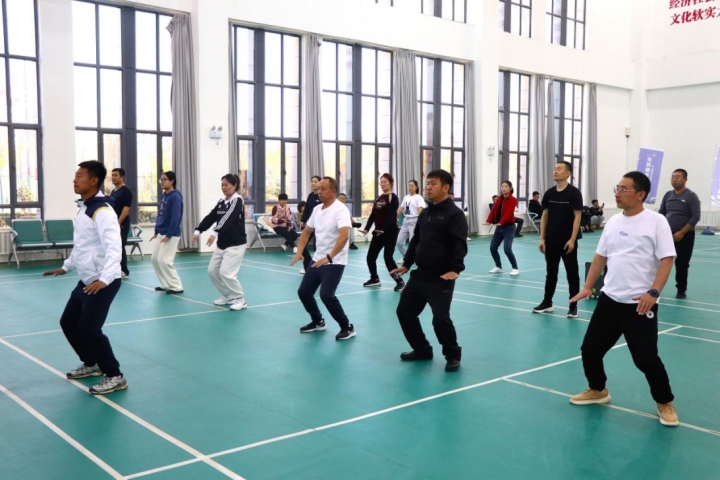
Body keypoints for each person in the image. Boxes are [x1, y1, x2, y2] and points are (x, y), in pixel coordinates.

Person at [569, 171, 679, 427]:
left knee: (646, 359)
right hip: (609, 301)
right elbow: (601, 257)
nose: (617, 193)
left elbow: (667, 259)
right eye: (617, 188)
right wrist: (588, 286)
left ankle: (664, 401)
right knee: (590, 350)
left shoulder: (656, 222)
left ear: (640, 194)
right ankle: (598, 390)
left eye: (623, 189)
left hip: (640, 305)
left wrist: (654, 292)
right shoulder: (613, 222)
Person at [43, 161, 127, 395]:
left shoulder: (102, 211)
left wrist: (105, 279)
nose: (74, 180)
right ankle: (92, 363)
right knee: (68, 322)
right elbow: (82, 246)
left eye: (79, 176)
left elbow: (114, 248)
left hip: (102, 282)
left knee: (90, 329)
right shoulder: (85, 209)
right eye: (75, 175)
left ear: (93, 181)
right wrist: (66, 267)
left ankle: (115, 375)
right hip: (87, 281)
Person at [391, 169, 467, 372]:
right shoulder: (425, 213)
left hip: (441, 277)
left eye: (433, 184)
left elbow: (460, 243)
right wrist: (407, 264)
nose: (428, 187)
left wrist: (456, 269)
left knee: (440, 319)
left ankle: (452, 355)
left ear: (446, 187)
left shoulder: (455, 214)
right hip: (420, 274)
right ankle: (422, 350)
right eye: (428, 183)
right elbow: (415, 240)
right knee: (404, 312)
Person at [290, 177, 356, 340]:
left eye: (323, 189)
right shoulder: (317, 209)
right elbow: (307, 231)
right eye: (318, 189)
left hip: (335, 261)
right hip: (318, 258)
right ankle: (318, 321)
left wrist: (330, 257)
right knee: (304, 292)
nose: (319, 192)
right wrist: (299, 252)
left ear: (333, 191)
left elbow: (344, 236)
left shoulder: (340, 210)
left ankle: (347, 327)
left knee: (326, 295)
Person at [533, 161, 583, 318]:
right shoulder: (549, 193)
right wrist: (542, 238)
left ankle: (573, 306)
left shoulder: (574, 193)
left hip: (567, 241)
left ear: (568, 173)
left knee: (572, 274)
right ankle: (547, 302)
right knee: (551, 273)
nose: (555, 171)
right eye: (554, 168)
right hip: (551, 240)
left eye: (559, 169)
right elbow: (545, 216)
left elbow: (577, 217)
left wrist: (572, 239)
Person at [192, 174, 248, 311]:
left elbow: (227, 218)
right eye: (222, 185)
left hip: (236, 244)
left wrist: (214, 232)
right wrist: (198, 230)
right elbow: (212, 216)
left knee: (226, 273)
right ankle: (227, 295)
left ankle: (239, 299)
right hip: (222, 244)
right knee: (212, 271)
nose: (223, 187)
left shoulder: (237, 200)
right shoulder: (222, 201)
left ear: (234, 185)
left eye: (226, 185)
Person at [658, 169, 701, 299]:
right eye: (672, 177)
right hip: (667, 235)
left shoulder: (691, 196)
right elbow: (661, 214)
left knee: (682, 263)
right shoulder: (667, 195)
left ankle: (681, 290)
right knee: (659, 261)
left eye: (678, 177)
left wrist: (681, 233)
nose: (674, 179)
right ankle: (655, 288)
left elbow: (695, 216)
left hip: (685, 236)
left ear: (685, 179)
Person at [360, 174, 403, 291]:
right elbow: (373, 215)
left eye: (385, 181)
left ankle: (400, 282)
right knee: (370, 257)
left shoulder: (393, 197)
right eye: (381, 182)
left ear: (391, 183)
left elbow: (391, 216)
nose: (382, 184)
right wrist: (367, 229)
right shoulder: (378, 198)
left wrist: (384, 229)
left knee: (388, 258)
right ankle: (374, 279)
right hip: (378, 232)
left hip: (390, 232)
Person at [151, 171, 184, 295]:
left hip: (171, 234)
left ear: (172, 181)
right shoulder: (163, 196)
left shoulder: (176, 196)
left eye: (165, 179)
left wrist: (169, 234)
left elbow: (176, 217)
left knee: (165, 260)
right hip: (161, 232)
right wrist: (156, 231)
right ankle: (165, 284)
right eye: (161, 179)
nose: (162, 182)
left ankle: (176, 286)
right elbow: (160, 214)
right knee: (155, 259)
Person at [485, 181, 520, 276]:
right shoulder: (499, 199)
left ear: (510, 188)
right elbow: (494, 210)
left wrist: (501, 222)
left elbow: (509, 212)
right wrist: (488, 221)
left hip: (509, 228)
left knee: (507, 249)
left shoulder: (513, 199)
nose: (503, 188)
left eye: (506, 186)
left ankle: (515, 268)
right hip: (499, 228)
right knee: (493, 248)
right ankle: (498, 267)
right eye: (502, 186)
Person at [110, 168, 133, 279]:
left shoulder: (126, 191)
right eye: (112, 175)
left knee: (120, 245)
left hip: (122, 223)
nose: (113, 177)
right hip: (113, 222)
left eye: (115, 175)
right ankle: (115, 268)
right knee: (114, 246)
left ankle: (124, 270)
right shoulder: (113, 191)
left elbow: (126, 209)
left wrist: (118, 222)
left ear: (122, 177)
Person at [396, 180, 426, 262]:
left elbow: (420, 210)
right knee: (399, 242)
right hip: (406, 221)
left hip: (414, 221)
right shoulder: (406, 197)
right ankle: (406, 257)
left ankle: (417, 259)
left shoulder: (419, 198)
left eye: (412, 185)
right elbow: (400, 209)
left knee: (413, 243)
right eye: (409, 185)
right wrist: (393, 218)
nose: (410, 187)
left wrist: (422, 223)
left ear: (416, 187)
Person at [300, 176, 322, 274]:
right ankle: (308, 268)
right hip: (310, 225)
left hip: (320, 226)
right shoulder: (310, 196)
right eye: (312, 181)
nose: (313, 183)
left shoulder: (321, 196)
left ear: (320, 183)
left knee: (317, 248)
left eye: (315, 181)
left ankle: (319, 269)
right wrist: (303, 220)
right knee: (302, 245)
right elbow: (306, 210)